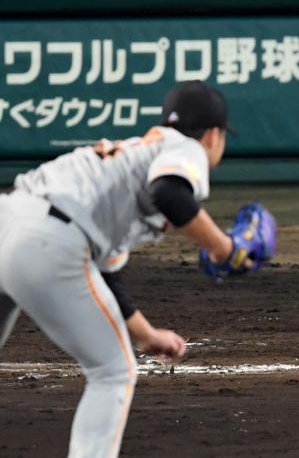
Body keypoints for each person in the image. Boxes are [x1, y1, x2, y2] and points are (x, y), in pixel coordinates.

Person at [0, 81, 255, 457]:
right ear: (213, 135)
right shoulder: (186, 148)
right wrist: (224, 248)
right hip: (47, 238)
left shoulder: (131, 158)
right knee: (113, 373)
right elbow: (169, 194)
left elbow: (107, 278)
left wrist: (147, 335)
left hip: (9, 217)